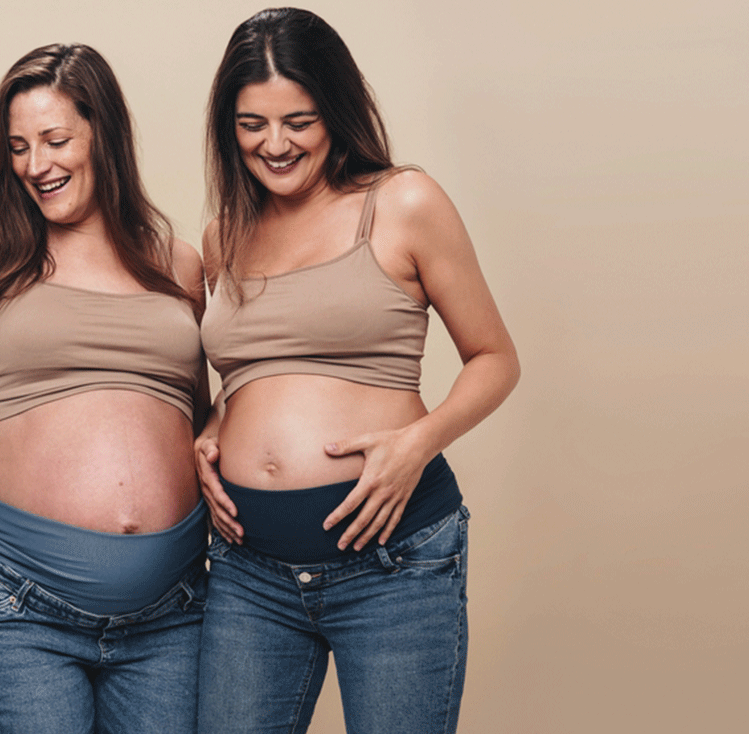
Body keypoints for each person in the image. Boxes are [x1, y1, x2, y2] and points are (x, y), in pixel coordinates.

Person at [194, 8, 521, 734]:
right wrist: (211, 436)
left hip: (393, 566)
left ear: (336, 111)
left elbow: (496, 360)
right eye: (252, 125)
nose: (275, 145)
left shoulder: (403, 202)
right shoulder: (225, 235)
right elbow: (246, 379)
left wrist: (418, 443)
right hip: (249, 572)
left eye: (299, 122)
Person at [0, 43, 209, 734]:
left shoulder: (177, 262)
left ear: (104, 135)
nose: (36, 165)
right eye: (19, 147)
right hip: (15, 602)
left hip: (171, 608)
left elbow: (198, 419)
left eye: (56, 140)